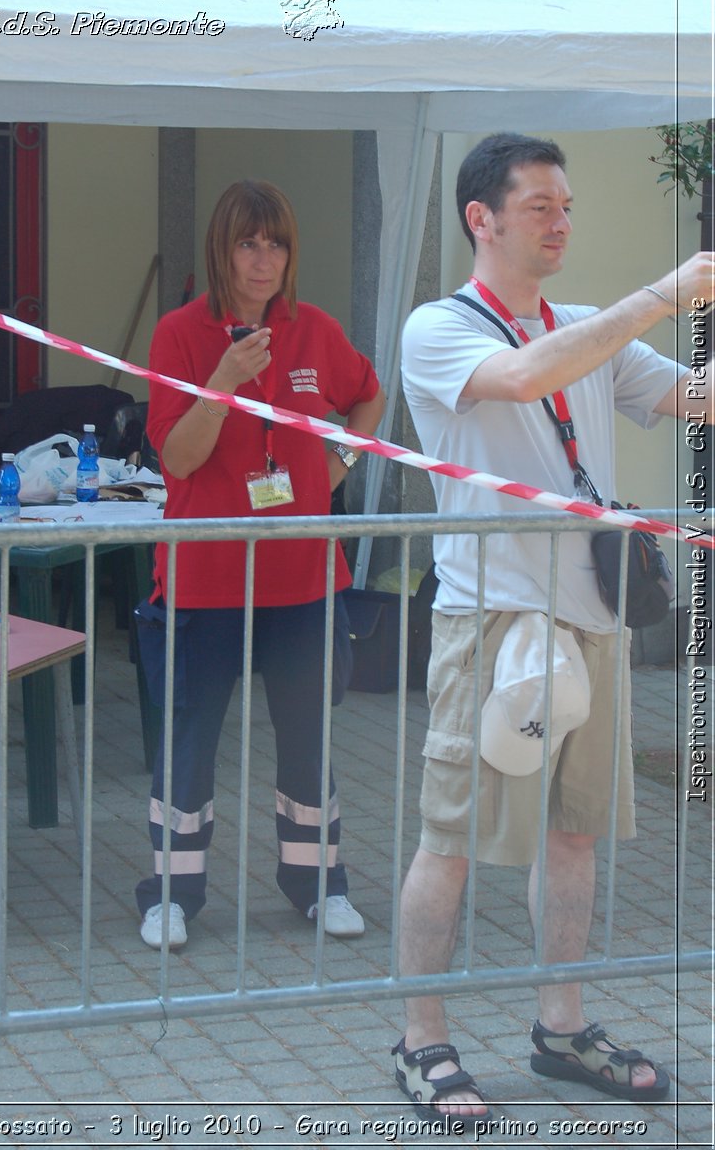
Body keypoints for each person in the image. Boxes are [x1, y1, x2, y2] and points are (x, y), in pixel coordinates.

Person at [395, 132, 713, 1121]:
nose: (563, 222)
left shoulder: (587, 326)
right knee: (451, 838)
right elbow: (527, 376)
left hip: (594, 620)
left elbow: (693, 397)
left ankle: (562, 1028)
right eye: (541, 207)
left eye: (568, 206)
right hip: (490, 622)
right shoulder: (436, 329)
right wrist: (659, 296)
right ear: (479, 219)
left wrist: (660, 331)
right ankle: (421, 1042)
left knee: (574, 838)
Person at [134, 179, 385, 950]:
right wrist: (221, 385)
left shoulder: (314, 329)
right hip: (205, 580)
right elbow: (176, 458)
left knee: (307, 738)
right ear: (222, 249)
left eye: (276, 242)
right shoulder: (180, 333)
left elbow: (369, 398)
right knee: (189, 740)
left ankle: (320, 886)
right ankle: (170, 896)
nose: (264, 258)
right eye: (249, 242)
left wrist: (338, 465)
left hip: (303, 577)